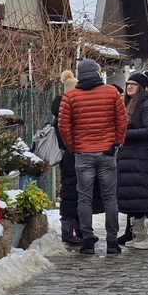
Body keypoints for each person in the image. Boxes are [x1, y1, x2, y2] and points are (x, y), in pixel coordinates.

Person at [58, 58, 127, 255]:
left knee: (84, 198)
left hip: (83, 153)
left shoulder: (70, 96)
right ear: (97, 72)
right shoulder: (112, 92)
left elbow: (64, 126)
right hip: (107, 152)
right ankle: (112, 242)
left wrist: (74, 147)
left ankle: (87, 241)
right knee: (110, 198)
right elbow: (121, 120)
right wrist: (117, 143)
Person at [51, 70, 105, 246]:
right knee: (72, 192)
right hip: (72, 155)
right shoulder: (66, 112)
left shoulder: (64, 111)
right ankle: (69, 230)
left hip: (77, 154)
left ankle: (81, 229)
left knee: (80, 193)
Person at [116, 72, 148, 250]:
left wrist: (123, 135)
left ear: (142, 87)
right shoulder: (129, 104)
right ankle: (138, 235)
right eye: (128, 83)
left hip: (142, 158)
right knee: (134, 198)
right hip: (130, 158)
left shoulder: (147, 105)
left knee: (146, 197)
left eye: (133, 84)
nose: (129, 87)